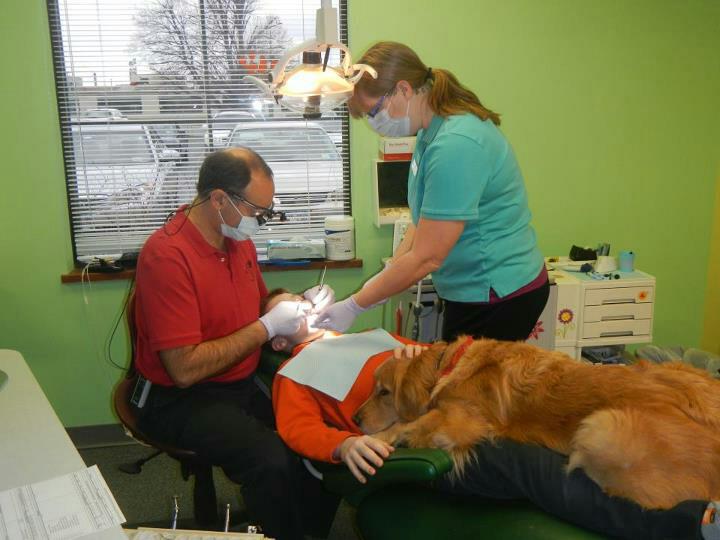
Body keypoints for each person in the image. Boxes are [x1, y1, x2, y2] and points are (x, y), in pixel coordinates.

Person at [264, 290, 720, 540]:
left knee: (552, 452)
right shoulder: (293, 372)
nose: (303, 306)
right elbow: (298, 430)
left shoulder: (368, 335)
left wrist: (423, 360)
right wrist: (344, 444)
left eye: (304, 299)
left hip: (456, 413)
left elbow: (449, 367)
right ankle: (685, 525)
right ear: (279, 340)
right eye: (287, 310)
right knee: (535, 468)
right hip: (411, 449)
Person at [131, 148, 335, 540]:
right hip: (180, 397)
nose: (260, 220)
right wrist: (264, 327)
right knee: (271, 460)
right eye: (257, 210)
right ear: (220, 199)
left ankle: (308, 530)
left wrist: (290, 304)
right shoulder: (167, 256)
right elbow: (184, 369)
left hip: (240, 380)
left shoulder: (237, 239)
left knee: (318, 430)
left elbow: (258, 305)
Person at [315, 41, 549, 343]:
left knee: (465, 388)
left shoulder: (456, 144)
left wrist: (356, 303)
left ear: (403, 89)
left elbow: (427, 258)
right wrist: (388, 276)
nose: (374, 123)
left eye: (374, 111)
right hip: (470, 287)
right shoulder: (430, 132)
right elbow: (424, 218)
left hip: (497, 292)